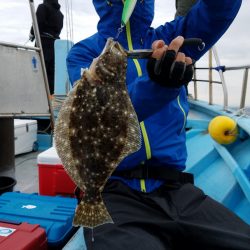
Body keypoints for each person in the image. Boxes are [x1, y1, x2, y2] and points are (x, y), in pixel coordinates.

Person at [66, 0, 250, 249]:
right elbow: (103, 115)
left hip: (176, 189)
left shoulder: (171, 37)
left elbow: (217, 12)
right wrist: (158, 85)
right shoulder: (83, 53)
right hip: (115, 192)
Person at [29, 0, 64, 95]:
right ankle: (51, 99)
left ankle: (39, 97)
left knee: (39, 71)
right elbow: (59, 29)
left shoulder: (43, 7)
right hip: (55, 46)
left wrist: (32, 33)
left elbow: (37, 23)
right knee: (51, 74)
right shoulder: (60, 14)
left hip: (43, 43)